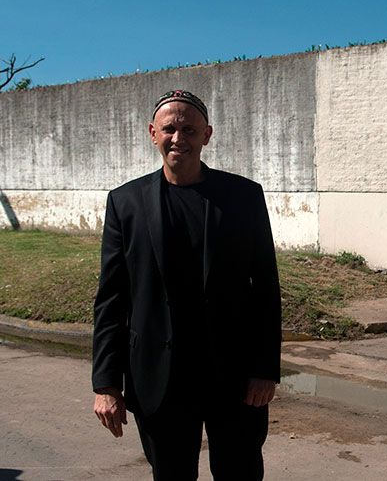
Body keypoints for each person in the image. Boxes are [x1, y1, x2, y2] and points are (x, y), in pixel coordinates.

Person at [92, 90, 282, 480]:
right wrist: (106, 383)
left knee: (241, 472)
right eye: (170, 128)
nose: (179, 137)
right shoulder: (125, 203)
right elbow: (112, 299)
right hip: (159, 380)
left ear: (207, 135)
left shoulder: (243, 197)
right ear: (152, 133)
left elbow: (266, 288)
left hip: (234, 377)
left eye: (189, 129)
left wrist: (265, 369)